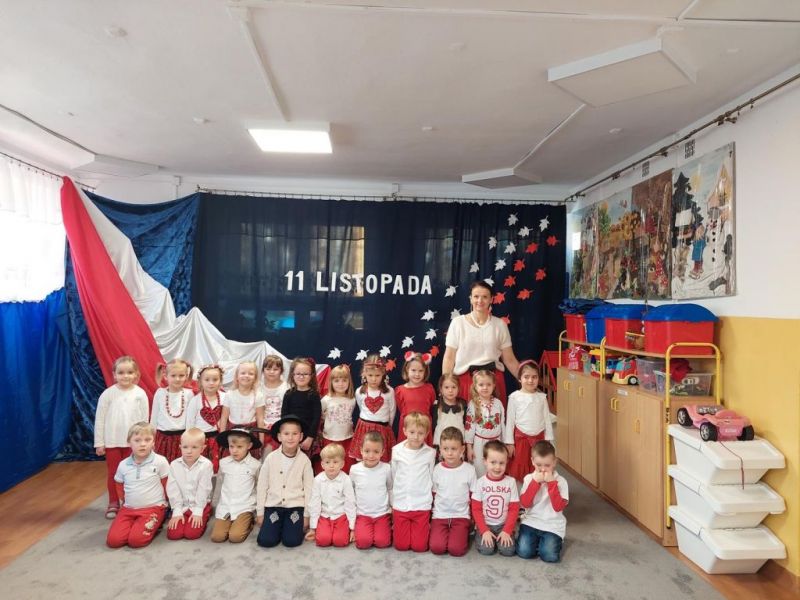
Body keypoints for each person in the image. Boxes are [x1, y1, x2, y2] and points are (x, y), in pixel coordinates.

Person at [442, 280, 521, 405]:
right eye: (476, 296)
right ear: (470, 299)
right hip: (466, 382)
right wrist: (446, 385)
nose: (480, 300)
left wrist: (526, 380)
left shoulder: (500, 325)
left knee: (494, 417)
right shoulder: (458, 323)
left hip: (493, 383)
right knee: (466, 417)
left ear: (491, 299)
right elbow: (449, 357)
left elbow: (509, 359)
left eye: (485, 297)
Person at [94, 355, 149, 520]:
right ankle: (113, 502)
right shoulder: (108, 394)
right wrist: (99, 442)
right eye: (121, 372)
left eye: (130, 372)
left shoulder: (140, 394)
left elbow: (144, 421)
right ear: (114, 375)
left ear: (136, 374)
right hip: (112, 442)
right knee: (114, 473)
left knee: (133, 472)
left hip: (133, 443)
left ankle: (130, 501)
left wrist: (144, 441)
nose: (125, 376)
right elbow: (100, 419)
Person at [106, 422, 169, 548]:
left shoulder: (160, 461)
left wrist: (166, 504)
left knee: (136, 541)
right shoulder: (123, 465)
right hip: (128, 508)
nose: (143, 444)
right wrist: (126, 501)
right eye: (137, 440)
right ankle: (135, 523)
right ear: (129, 443)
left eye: (147, 440)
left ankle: (156, 520)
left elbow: (166, 484)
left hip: (153, 507)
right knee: (114, 541)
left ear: (153, 442)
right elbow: (119, 486)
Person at [256, 415, 314, 548]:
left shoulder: (304, 461)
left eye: (295, 434)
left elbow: (309, 489)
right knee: (266, 541)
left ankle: (287, 527)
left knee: (292, 541)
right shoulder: (270, 458)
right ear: (279, 436)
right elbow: (262, 486)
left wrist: (306, 515)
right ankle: (277, 527)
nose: (290, 437)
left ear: (301, 436)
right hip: (273, 505)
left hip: (295, 506)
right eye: (286, 434)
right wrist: (260, 513)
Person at [517, 440, 569, 563]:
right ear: (532, 461)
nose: (543, 469)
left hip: (552, 525)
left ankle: (551, 541)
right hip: (531, 522)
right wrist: (535, 483)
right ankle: (539, 541)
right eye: (539, 465)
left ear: (554, 462)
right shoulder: (529, 479)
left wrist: (552, 484)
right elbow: (525, 503)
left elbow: (558, 507)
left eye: (547, 465)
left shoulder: (561, 481)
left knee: (549, 556)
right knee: (524, 552)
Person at [391, 412, 436, 552]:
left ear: (426, 434)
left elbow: (431, 476)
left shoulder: (430, 453)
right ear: (404, 431)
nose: (416, 437)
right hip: (401, 504)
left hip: (421, 504)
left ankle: (423, 527)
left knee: (420, 547)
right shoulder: (396, 451)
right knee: (401, 546)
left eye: (420, 433)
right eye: (412, 432)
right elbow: (394, 475)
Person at [429, 427, 476, 557]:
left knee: (456, 550)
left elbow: (474, 496)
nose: (449, 453)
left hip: (460, 516)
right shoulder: (437, 469)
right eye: (445, 449)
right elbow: (434, 494)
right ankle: (445, 533)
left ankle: (463, 532)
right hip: (440, 515)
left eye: (454, 449)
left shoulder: (469, 470)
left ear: (462, 449)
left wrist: (473, 519)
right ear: (440, 449)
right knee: (437, 548)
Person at [211, 428, 262, 543]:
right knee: (217, 537)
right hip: (226, 506)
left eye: (239, 447)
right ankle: (231, 522)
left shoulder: (255, 465)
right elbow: (219, 484)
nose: (234, 451)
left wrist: (259, 510)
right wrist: (215, 504)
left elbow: (259, 488)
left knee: (235, 537)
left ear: (249, 446)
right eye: (231, 447)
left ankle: (248, 522)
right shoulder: (224, 463)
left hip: (244, 506)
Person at [505, 360, 554, 482]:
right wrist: (509, 443)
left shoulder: (541, 397)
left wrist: (548, 439)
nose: (530, 380)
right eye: (526, 377)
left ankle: (536, 486)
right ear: (519, 378)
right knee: (520, 464)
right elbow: (510, 422)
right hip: (521, 439)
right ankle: (523, 489)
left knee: (538, 464)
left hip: (539, 438)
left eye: (534, 377)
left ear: (538, 378)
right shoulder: (514, 397)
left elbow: (547, 419)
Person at [471, 440, 519, 557]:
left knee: (508, 551)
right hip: (486, 524)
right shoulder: (480, 482)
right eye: (493, 462)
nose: (497, 467)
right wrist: (484, 530)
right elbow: (476, 509)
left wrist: (507, 530)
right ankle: (482, 534)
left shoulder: (511, 482)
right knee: (486, 550)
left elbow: (514, 509)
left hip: (503, 524)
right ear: (485, 461)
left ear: (507, 461)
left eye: (501, 463)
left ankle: (506, 535)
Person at [165, 427, 214, 541]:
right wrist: (177, 510)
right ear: (180, 447)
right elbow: (172, 489)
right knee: (174, 534)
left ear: (202, 448)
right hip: (181, 505)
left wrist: (198, 511)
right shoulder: (174, 465)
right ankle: (183, 515)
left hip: (199, 504)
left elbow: (204, 489)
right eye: (185, 447)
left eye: (194, 447)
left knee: (191, 534)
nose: (189, 451)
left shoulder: (206, 465)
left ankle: (205, 514)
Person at [306, 443, 356, 547]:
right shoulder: (318, 480)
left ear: (342, 464)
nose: (331, 465)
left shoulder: (346, 479)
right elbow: (315, 503)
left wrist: (352, 528)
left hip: (341, 515)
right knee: (323, 541)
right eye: (327, 462)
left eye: (335, 462)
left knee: (340, 541)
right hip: (325, 516)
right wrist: (313, 528)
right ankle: (326, 531)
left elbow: (350, 503)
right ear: (322, 464)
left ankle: (339, 531)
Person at [350, 432, 393, 549]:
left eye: (376, 452)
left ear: (382, 452)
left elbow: (390, 488)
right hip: (363, 514)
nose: (371, 456)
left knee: (382, 542)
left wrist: (392, 507)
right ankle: (365, 531)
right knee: (363, 543)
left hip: (382, 514)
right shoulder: (354, 469)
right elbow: (351, 492)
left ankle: (382, 529)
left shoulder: (386, 468)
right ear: (361, 450)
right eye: (367, 451)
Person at [349, 355, 396, 463]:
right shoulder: (360, 391)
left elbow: (392, 411)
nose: (374, 379)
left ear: (383, 374)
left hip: (383, 429)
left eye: (377, 375)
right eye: (370, 375)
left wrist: (387, 427)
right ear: (364, 374)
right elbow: (361, 408)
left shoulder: (389, 391)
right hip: (364, 428)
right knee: (363, 457)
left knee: (381, 458)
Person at [219, 361, 266, 459]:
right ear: (237, 376)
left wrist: (261, 440)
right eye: (243, 373)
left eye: (251, 373)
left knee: (250, 461)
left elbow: (260, 419)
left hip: (250, 433)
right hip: (233, 432)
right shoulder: (230, 395)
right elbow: (224, 417)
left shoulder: (258, 395)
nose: (246, 376)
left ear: (255, 378)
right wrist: (222, 437)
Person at [150, 358, 193, 463]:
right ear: (166, 376)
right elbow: (154, 418)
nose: (177, 379)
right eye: (173, 375)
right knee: (162, 466)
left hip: (182, 437)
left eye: (181, 375)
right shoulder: (160, 393)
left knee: (180, 466)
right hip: (162, 437)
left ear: (186, 376)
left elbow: (190, 419)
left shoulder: (189, 394)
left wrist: (188, 437)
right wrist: (151, 438)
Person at [464, 369, 505, 478]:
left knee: (495, 467)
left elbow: (502, 425)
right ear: (475, 386)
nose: (485, 387)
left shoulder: (498, 403)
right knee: (479, 468)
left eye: (488, 384)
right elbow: (469, 427)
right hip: (479, 443)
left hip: (496, 442)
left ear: (494, 385)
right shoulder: (473, 404)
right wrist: (469, 447)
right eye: (481, 385)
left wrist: (504, 443)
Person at [185, 364, 226, 471]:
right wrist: (191, 441)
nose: (211, 383)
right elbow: (190, 423)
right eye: (207, 380)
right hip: (200, 440)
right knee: (200, 468)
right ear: (200, 382)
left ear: (220, 381)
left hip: (218, 439)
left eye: (215, 379)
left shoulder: (225, 397)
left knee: (217, 468)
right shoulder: (195, 400)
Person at [281, 358, 322, 461]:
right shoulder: (288, 394)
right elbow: (284, 416)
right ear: (292, 375)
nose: (301, 376)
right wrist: (286, 435)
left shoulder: (314, 395)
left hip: (307, 437)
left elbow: (316, 418)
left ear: (311, 375)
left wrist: (310, 438)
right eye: (298, 373)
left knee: (304, 462)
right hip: (291, 436)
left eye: (305, 374)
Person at [395, 351, 436, 446]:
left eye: (421, 371)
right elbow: (401, 408)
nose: (417, 374)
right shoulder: (400, 390)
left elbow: (431, 405)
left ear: (425, 372)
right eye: (413, 370)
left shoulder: (429, 388)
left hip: (424, 428)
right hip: (407, 428)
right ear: (407, 369)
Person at [320, 364, 356, 473]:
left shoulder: (352, 400)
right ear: (331, 382)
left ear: (349, 382)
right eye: (336, 381)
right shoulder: (326, 400)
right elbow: (320, 416)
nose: (340, 384)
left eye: (344, 380)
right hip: (330, 438)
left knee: (346, 466)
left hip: (347, 438)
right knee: (331, 465)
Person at [260, 354, 289, 454]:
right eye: (268, 369)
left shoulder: (287, 387)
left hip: (281, 428)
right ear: (263, 370)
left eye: (275, 369)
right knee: (264, 455)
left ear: (281, 371)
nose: (271, 372)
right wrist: (262, 425)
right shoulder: (259, 387)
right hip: (263, 428)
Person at [432, 373, 467, 451]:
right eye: (446, 387)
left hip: (458, 444)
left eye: (454, 387)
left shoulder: (463, 405)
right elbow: (433, 425)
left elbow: (466, 425)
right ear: (441, 389)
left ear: (458, 388)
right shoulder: (437, 405)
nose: (450, 390)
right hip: (440, 445)